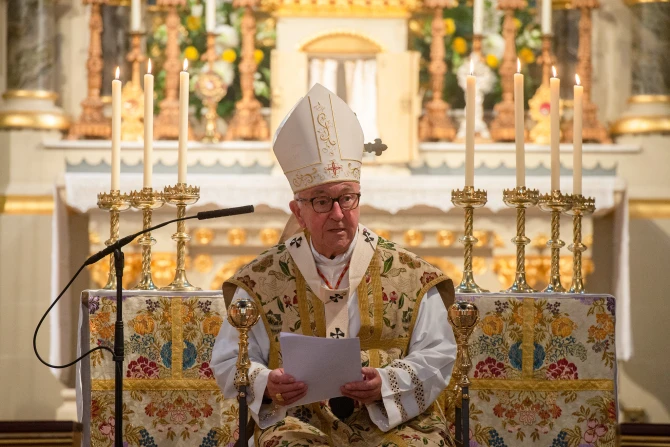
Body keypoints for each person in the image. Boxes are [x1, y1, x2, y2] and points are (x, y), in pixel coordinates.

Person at [211, 84, 457, 447]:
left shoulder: (411, 275)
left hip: (392, 420)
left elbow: (439, 352)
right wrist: (265, 382)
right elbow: (230, 359)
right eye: (322, 201)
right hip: (298, 418)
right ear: (298, 212)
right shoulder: (261, 281)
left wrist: (388, 382)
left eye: (347, 198)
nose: (339, 213)